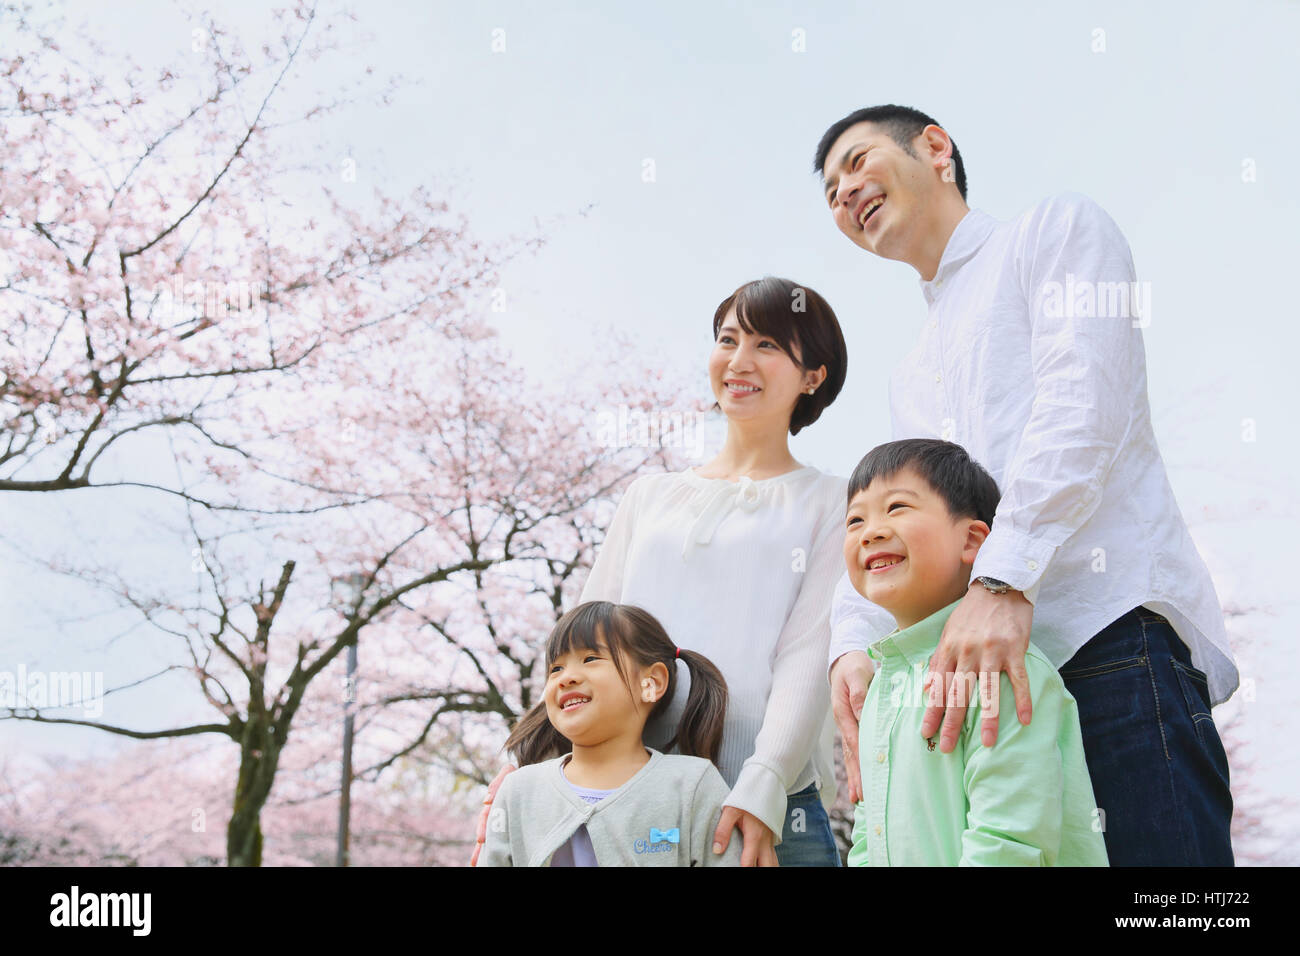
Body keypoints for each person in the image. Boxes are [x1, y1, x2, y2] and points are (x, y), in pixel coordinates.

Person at [814, 104, 1236, 865]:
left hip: (1107, 641)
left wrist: (1002, 581)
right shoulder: (910, 373)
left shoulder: (1053, 232)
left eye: (856, 162)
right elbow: (903, 522)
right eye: (831, 194)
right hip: (984, 691)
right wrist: (853, 646)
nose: (844, 193)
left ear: (935, 147)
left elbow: (1085, 401)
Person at [472, 276, 851, 867]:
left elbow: (807, 654)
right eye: (728, 339)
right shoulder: (649, 496)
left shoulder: (830, 500)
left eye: (768, 345)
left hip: (766, 813)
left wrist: (766, 780)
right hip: (630, 804)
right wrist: (521, 770)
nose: (739, 360)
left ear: (813, 376)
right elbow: (582, 642)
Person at [842, 438, 1107, 866]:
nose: (870, 531)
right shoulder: (879, 686)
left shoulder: (1001, 669)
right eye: (855, 520)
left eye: (897, 508)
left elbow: (1010, 839)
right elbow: (866, 838)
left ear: (972, 541)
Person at [479, 601, 740, 867]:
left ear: (651, 682)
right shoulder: (518, 791)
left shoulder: (693, 786)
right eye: (556, 668)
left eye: (590, 659)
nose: (565, 678)